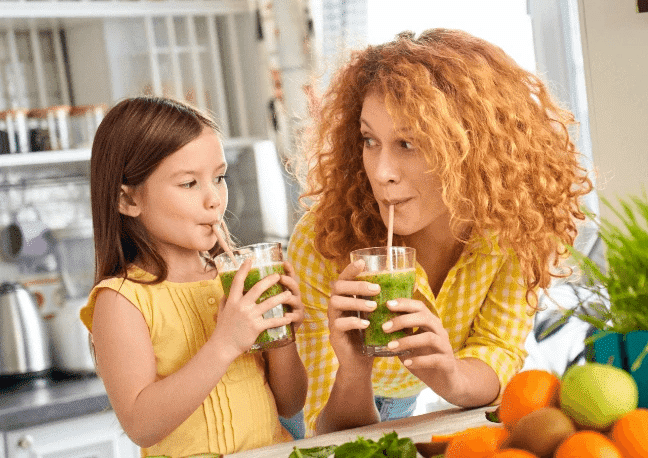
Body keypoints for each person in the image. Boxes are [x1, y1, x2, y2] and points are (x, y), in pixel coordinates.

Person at [288, 28, 594, 436]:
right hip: (298, 410)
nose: (381, 173)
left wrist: (449, 374)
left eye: (408, 144)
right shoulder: (325, 239)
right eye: (369, 140)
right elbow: (323, 431)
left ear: (469, 147)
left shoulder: (513, 226)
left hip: (403, 401)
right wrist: (354, 370)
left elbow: (497, 349)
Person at [80, 96, 307, 456]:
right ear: (127, 200)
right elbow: (141, 425)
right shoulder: (122, 300)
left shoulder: (233, 281)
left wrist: (282, 337)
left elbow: (290, 404)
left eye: (219, 178)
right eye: (189, 184)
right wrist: (225, 344)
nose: (214, 199)